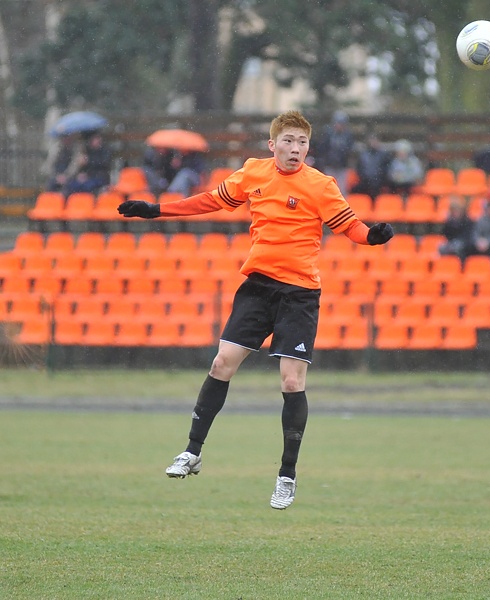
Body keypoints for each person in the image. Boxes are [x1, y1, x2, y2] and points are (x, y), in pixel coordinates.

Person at [117, 110, 394, 510]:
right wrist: (155, 210)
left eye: (301, 142)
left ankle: (286, 476)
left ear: (308, 147)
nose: (295, 148)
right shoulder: (253, 174)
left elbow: (350, 227)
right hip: (258, 288)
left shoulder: (321, 186)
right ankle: (192, 452)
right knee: (221, 364)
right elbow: (211, 200)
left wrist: (373, 237)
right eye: (288, 141)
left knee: (290, 382)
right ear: (273, 145)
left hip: (299, 293)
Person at [313, 111, 355, 196]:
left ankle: (341, 209)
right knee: (328, 189)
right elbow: (322, 149)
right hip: (329, 165)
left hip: (342, 166)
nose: (339, 125)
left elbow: (349, 150)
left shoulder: (348, 136)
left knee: (342, 191)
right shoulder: (328, 134)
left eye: (341, 123)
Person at [60, 131, 112, 196]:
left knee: (88, 187)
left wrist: (89, 161)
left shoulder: (105, 150)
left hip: (100, 177)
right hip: (88, 177)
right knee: (72, 185)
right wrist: (82, 173)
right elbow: (84, 168)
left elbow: (104, 164)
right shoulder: (88, 151)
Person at [351, 134, 390, 198]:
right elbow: (359, 168)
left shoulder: (383, 155)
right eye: (372, 141)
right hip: (365, 181)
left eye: (375, 141)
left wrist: (379, 177)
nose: (373, 143)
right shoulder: (363, 155)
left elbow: (385, 168)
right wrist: (364, 177)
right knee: (354, 190)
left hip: (379, 181)